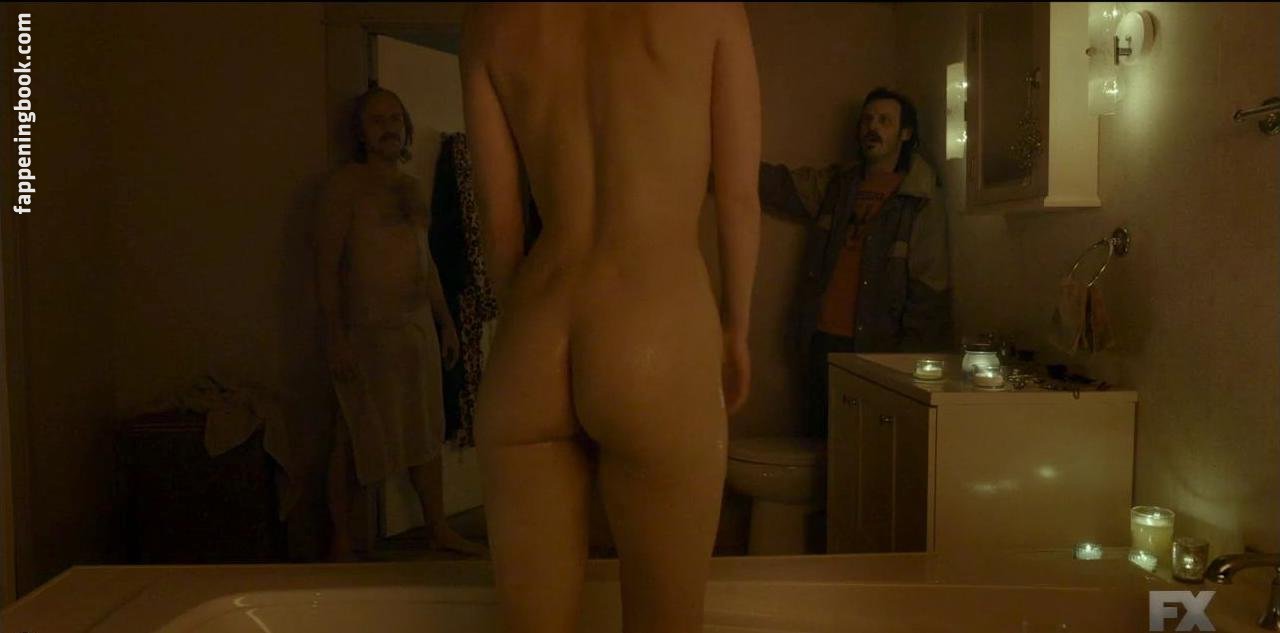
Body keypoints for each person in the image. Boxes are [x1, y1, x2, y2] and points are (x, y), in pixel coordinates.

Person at [460, 4, 760, 632]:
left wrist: (524, 334)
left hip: (534, 330)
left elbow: (500, 222)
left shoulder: (490, 18)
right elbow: (737, 197)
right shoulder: (711, 9)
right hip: (654, 320)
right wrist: (736, 330)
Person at [315, 85, 488, 560]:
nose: (388, 127)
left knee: (424, 431)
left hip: (415, 329)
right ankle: (342, 541)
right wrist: (335, 337)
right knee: (356, 433)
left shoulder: (410, 186)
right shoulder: (344, 187)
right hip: (366, 331)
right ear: (361, 133)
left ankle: (438, 528)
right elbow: (326, 269)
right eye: (377, 120)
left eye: (395, 119)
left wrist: (445, 322)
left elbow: (425, 260)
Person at [759, 87, 951, 439]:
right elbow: (780, 186)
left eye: (884, 121)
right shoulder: (839, 185)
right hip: (821, 341)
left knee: (864, 447)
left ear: (905, 133)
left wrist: (907, 362)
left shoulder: (919, 196)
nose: (872, 128)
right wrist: (712, 160)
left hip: (877, 349)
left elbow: (929, 287)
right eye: (867, 120)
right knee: (821, 443)